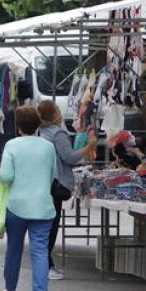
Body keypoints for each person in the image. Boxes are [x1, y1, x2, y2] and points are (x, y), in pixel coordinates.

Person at [0, 105, 57, 291]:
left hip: (17, 204)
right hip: (43, 205)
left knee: (14, 249)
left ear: (18, 125)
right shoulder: (48, 147)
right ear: (38, 124)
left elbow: (5, 176)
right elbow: (53, 175)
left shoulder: (12, 146)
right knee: (40, 250)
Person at [37, 100, 95, 281]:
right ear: (54, 114)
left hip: (44, 182)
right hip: (56, 184)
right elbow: (69, 157)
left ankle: (46, 264)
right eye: (57, 110)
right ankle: (46, 266)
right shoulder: (58, 133)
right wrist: (88, 148)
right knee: (51, 226)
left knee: (43, 226)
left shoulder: (41, 131)